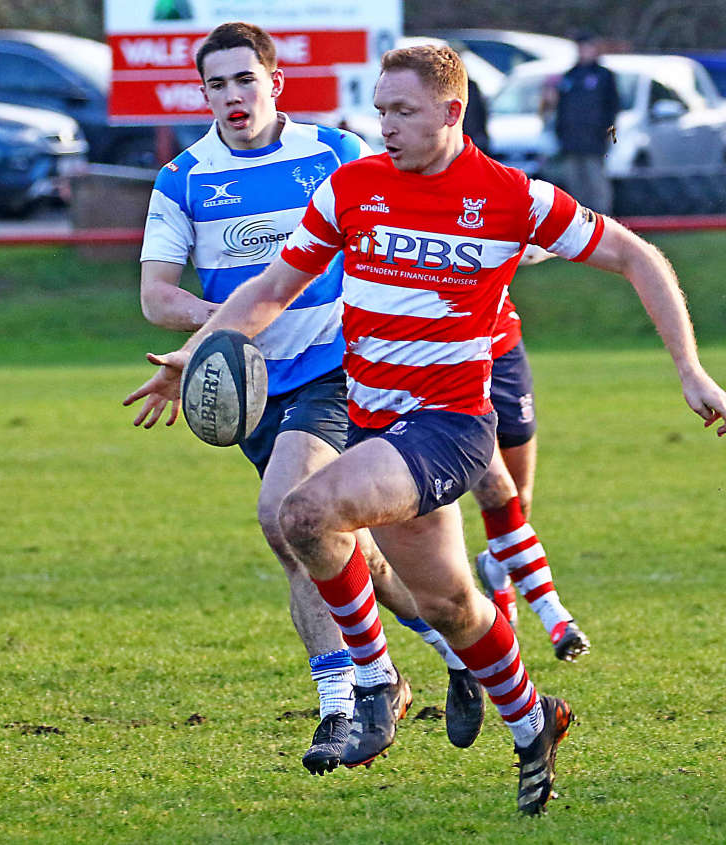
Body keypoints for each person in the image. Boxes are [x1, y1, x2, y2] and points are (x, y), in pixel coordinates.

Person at [126, 44, 726, 815]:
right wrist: (197, 351)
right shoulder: (352, 188)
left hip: (448, 426)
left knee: (303, 515)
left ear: (452, 112)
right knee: (453, 606)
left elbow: (636, 255)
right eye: (380, 110)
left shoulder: (511, 197)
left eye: (403, 111)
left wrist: (690, 368)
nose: (386, 126)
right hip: (376, 425)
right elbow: (272, 287)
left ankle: (374, 684)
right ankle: (535, 720)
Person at [130, 22, 482, 777]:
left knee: (280, 515)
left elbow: (412, 217)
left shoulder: (334, 153)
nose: (232, 95)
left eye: (244, 79)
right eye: (216, 84)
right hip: (254, 386)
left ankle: (347, 701)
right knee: (332, 545)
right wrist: (220, 330)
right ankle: (456, 648)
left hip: (339, 373)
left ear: (275, 82)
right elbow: (157, 295)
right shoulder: (183, 178)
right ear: (203, 94)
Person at [469, 251, 590, 660]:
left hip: (502, 349)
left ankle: (496, 567)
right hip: (447, 358)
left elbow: (535, 238)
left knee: (518, 500)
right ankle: (556, 617)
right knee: (496, 489)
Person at [550, 30, 619, 215]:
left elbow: (612, 109)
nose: (583, 51)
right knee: (574, 183)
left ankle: (603, 219)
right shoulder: (570, 75)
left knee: (596, 183)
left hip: (594, 140)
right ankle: (580, 220)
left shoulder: (604, 76)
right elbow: (561, 108)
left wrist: (608, 134)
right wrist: (560, 132)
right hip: (571, 140)